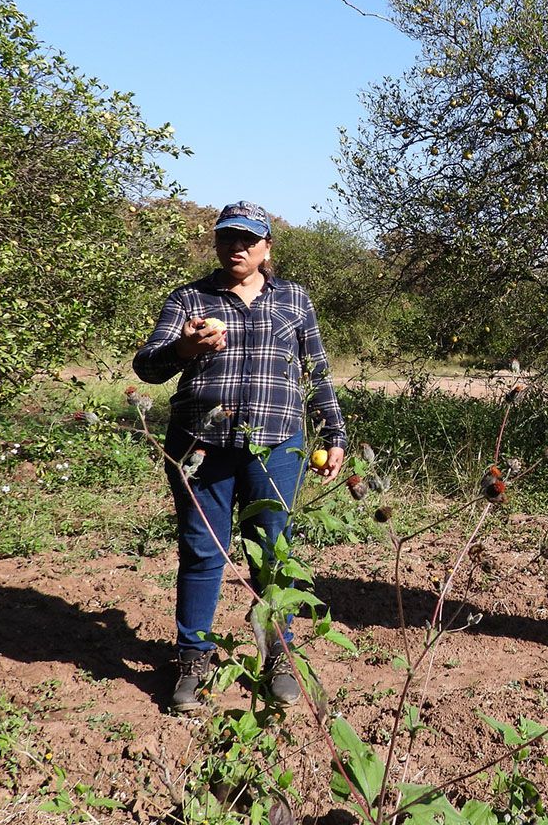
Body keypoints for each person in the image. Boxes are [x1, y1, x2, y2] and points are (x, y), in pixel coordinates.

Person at [134, 201, 347, 712]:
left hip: (275, 446)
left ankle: (279, 656)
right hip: (200, 447)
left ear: (266, 248)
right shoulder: (189, 299)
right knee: (203, 551)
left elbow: (315, 371)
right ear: (217, 244)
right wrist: (184, 350)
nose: (237, 247)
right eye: (228, 238)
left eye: (248, 240)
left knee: (272, 552)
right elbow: (148, 367)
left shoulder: (293, 299)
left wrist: (334, 431)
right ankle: (193, 662)